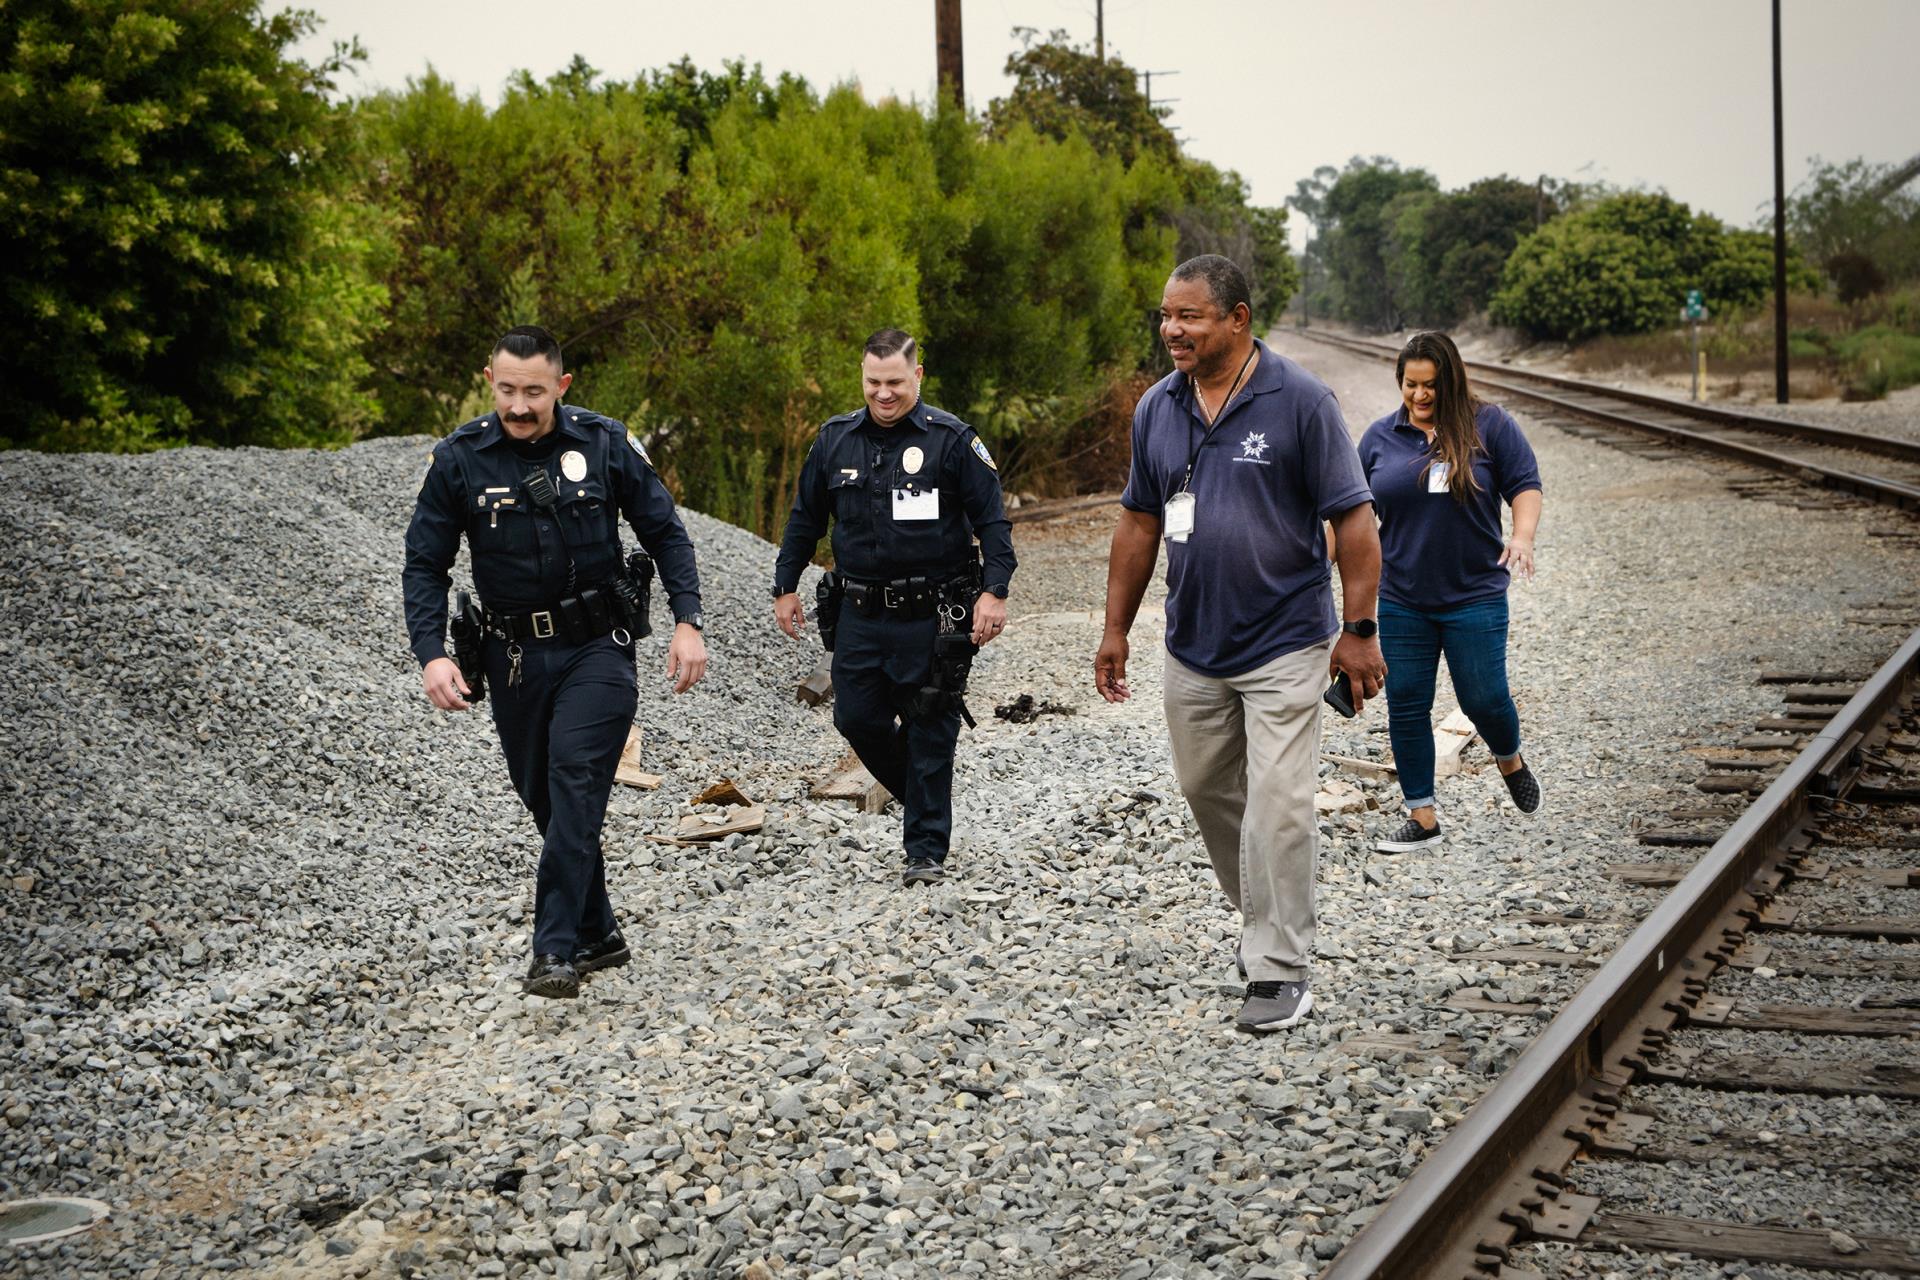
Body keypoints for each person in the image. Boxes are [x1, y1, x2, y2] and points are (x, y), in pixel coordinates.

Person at [1095, 256, 1386, 1034]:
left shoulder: (1299, 401)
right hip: (1192, 644)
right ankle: (1263, 921)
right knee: (1206, 791)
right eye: (1165, 315)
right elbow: (1140, 522)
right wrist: (1115, 628)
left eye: (1189, 316)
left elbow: (1356, 522)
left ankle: (1282, 967)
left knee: (1281, 807)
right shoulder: (1157, 408)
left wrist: (1359, 631)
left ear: (1238, 320)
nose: (1171, 330)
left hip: (1286, 641)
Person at [403, 325, 709, 999]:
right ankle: (600, 929)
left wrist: (688, 620)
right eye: (507, 390)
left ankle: (555, 948)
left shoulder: (602, 443)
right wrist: (429, 654)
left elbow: (664, 530)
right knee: (545, 797)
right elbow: (424, 564)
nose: (518, 406)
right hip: (512, 658)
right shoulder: (459, 460)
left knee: (575, 778)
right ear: (490, 381)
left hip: (598, 647)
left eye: (533, 393)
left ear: (561, 387)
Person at [772, 328, 1015, 886]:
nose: (883, 394)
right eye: (873, 383)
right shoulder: (834, 440)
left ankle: (924, 850)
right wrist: (785, 586)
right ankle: (925, 795)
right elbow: (805, 519)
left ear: (918, 377)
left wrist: (994, 592)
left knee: (930, 721)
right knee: (855, 716)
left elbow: (993, 524)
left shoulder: (951, 441)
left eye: (895, 383)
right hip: (859, 612)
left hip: (933, 614)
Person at [1359, 330, 1543, 853]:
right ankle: (1422, 816)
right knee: (1407, 703)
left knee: (1484, 699)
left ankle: (1509, 758)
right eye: (1410, 384)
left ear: (1452, 381)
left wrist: (1522, 537)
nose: (1419, 395)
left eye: (1431, 385)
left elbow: (1526, 484)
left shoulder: (1490, 425)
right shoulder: (1378, 438)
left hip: (1475, 595)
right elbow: (1352, 516)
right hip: (1402, 599)